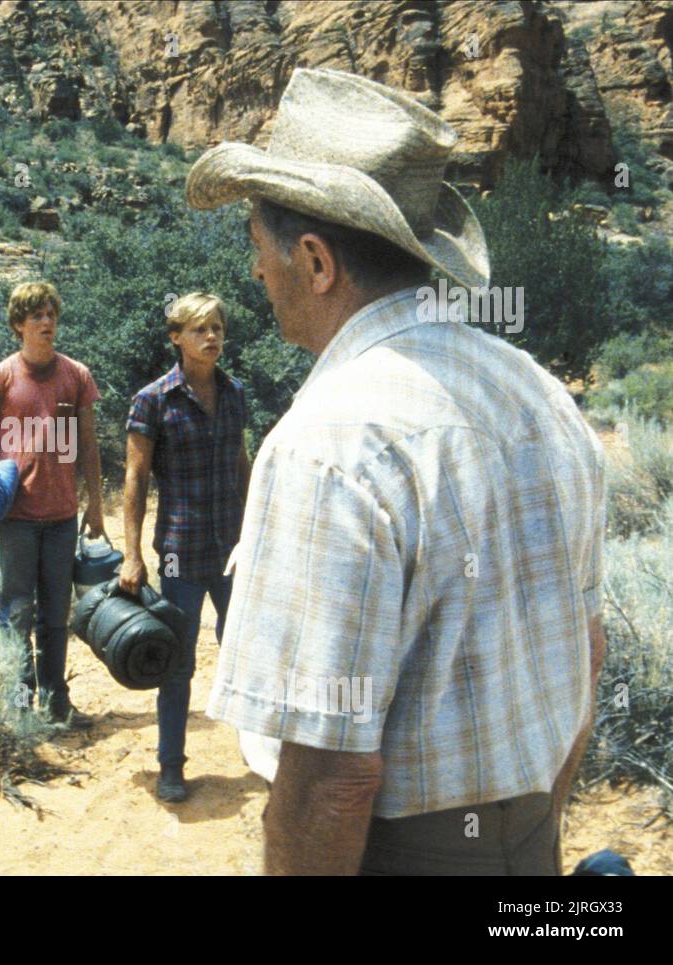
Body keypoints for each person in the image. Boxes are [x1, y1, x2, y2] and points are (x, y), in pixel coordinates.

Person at [187, 68, 607, 875]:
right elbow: (585, 652)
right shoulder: (541, 392)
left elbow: (332, 778)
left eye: (256, 249)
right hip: (528, 844)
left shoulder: (327, 443)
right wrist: (534, 831)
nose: (254, 275)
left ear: (315, 261)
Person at [121, 293, 250, 802]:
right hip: (180, 551)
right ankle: (171, 766)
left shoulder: (234, 391)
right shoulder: (152, 400)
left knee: (246, 651)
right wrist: (131, 554)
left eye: (217, 327)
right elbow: (134, 478)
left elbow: (241, 462)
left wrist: (256, 527)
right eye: (199, 329)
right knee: (178, 664)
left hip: (232, 549)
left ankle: (263, 755)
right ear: (176, 337)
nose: (212, 337)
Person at [0, 282, 103, 726]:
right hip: (16, 516)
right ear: (18, 324)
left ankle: (58, 704)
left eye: (51, 314)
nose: (46, 323)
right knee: (18, 611)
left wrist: (95, 504)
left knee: (56, 614)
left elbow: (89, 444)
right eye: (36, 315)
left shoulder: (76, 375)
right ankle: (21, 709)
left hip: (62, 516)